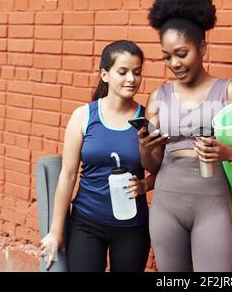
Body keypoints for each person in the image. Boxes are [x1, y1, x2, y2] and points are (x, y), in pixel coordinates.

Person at [138, 0, 232, 272]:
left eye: (181, 53)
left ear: (202, 48)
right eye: (166, 56)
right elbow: (152, 165)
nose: (174, 63)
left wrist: (227, 152)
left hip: (211, 205)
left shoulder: (229, 92)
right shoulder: (157, 98)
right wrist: (146, 148)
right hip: (165, 204)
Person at [40, 40, 153, 272]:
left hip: (133, 226)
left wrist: (145, 184)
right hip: (87, 224)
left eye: (137, 72)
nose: (131, 79)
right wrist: (55, 231)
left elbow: (167, 170)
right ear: (105, 74)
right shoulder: (83, 116)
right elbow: (68, 176)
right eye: (122, 72)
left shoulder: (146, 119)